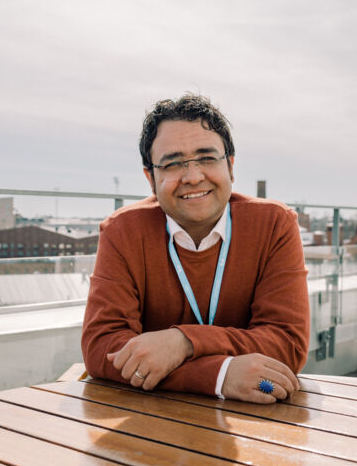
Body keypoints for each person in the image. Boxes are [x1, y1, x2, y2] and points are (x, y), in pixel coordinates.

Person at [81, 93, 309, 404]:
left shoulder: (274, 224)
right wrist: (219, 375)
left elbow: (287, 343)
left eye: (207, 158)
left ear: (230, 166)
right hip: (150, 418)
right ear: (151, 179)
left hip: (257, 418)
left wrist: (183, 343)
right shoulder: (122, 231)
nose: (193, 177)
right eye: (173, 163)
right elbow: (102, 348)